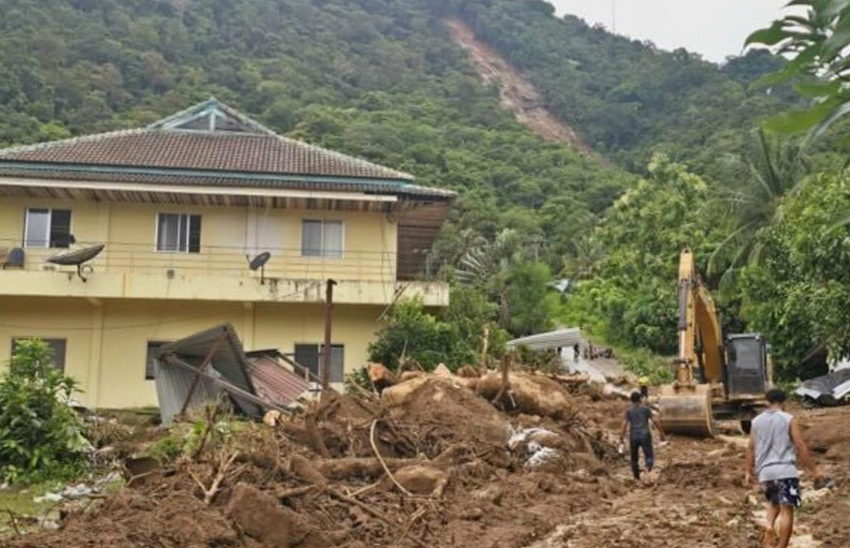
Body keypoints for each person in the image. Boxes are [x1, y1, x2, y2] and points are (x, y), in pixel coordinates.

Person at [745, 388, 824, 548]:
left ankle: (769, 526)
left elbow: (751, 448)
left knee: (773, 502)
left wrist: (748, 471)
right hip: (785, 470)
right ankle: (781, 546)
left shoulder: (756, 421)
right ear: (784, 402)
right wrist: (814, 471)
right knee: (786, 509)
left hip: (766, 473)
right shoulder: (788, 419)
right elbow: (799, 445)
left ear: (767, 401)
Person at [620, 391, 667, 481]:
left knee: (634, 458)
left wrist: (621, 437)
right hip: (645, 435)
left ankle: (636, 477)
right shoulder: (645, 409)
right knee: (649, 455)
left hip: (633, 436)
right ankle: (647, 467)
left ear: (631, 400)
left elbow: (624, 424)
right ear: (640, 399)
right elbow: (655, 421)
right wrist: (661, 432)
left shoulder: (629, 411)